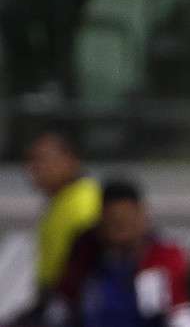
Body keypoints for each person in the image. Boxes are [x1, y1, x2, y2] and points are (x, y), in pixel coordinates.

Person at [51, 178, 190, 327]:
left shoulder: (164, 257)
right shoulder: (85, 254)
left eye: (126, 221)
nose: (120, 230)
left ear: (142, 215)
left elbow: (182, 312)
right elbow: (61, 305)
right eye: (113, 222)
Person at [10, 129, 101, 326]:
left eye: (42, 160)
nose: (34, 169)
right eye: (31, 161)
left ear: (69, 161)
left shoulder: (82, 204)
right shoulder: (62, 200)